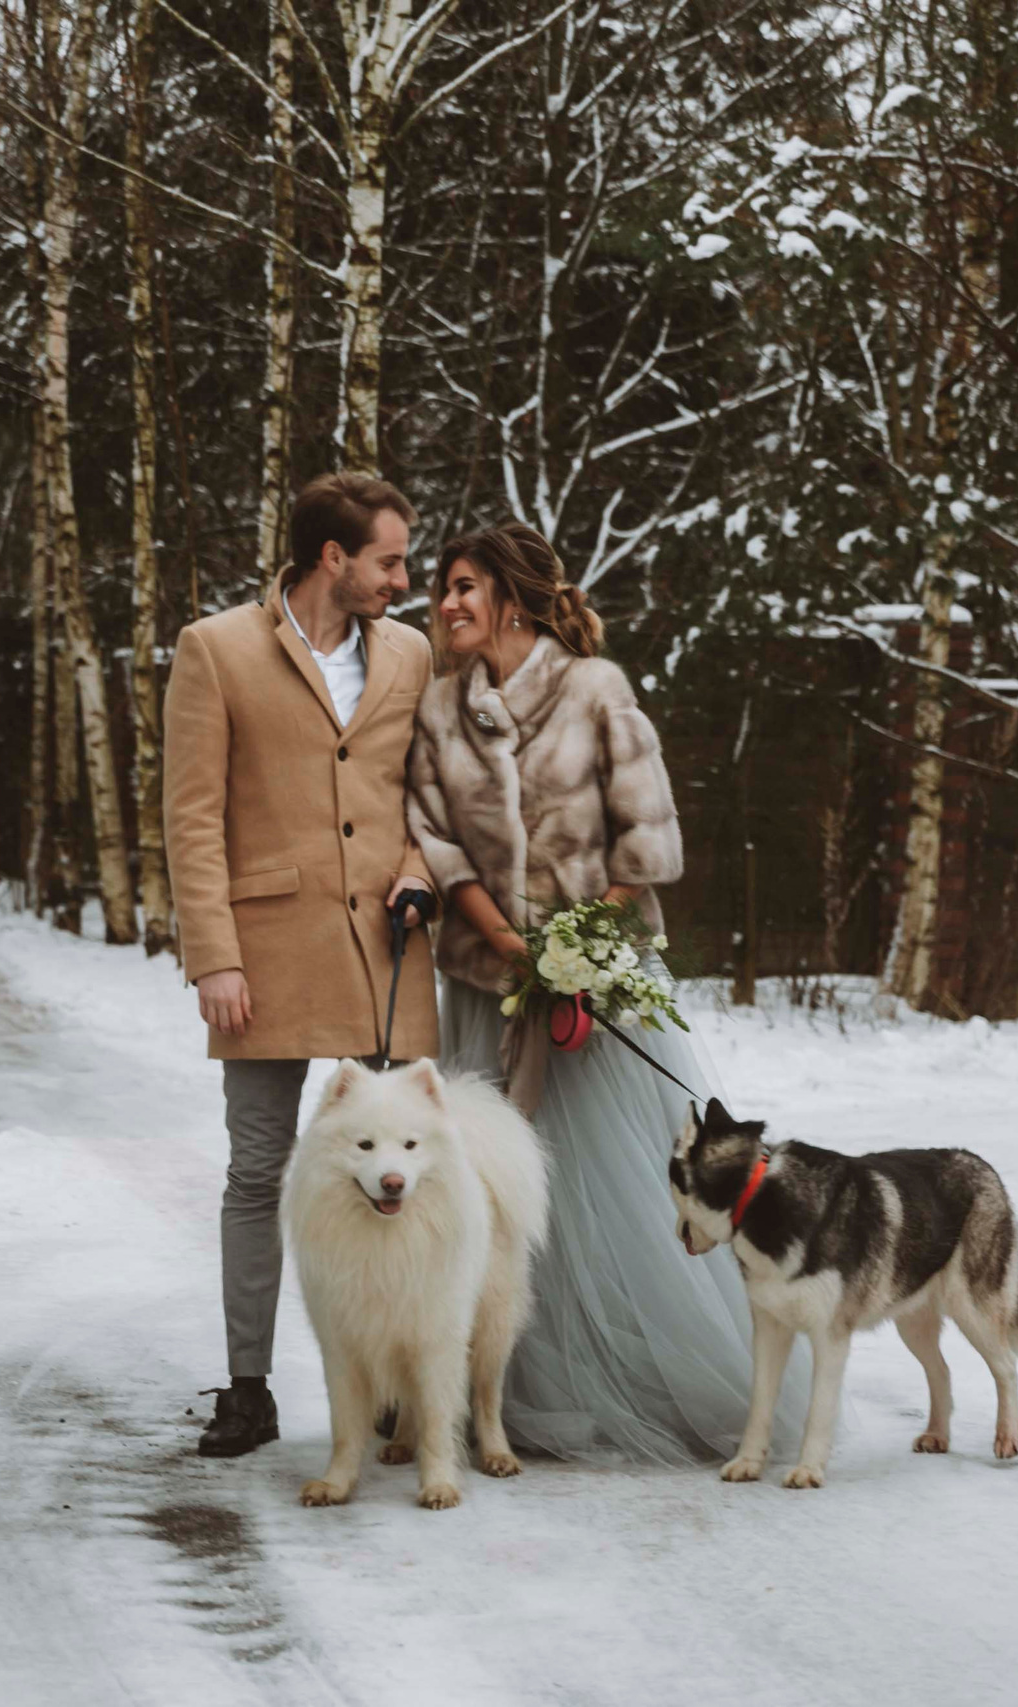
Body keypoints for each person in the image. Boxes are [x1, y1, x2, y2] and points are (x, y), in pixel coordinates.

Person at [405, 524, 808, 1465]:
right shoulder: (437, 707)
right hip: (486, 989)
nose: (448, 605)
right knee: (493, 1191)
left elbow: (648, 843)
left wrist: (578, 944)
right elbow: (434, 836)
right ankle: (499, 1392)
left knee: (610, 1190)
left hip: (602, 992)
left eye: (464, 587)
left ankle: (636, 1384)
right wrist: (510, 944)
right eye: (442, 589)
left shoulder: (597, 690)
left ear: (511, 595)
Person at [162, 472, 439, 1458]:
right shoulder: (216, 649)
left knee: (396, 1175)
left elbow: (422, 796)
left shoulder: (409, 653)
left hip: (386, 949)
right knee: (257, 1172)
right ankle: (249, 1388)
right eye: (389, 561)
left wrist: (417, 870)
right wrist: (213, 958)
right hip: (266, 953)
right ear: (334, 558)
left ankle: (397, 1393)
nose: (404, 580)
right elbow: (191, 817)